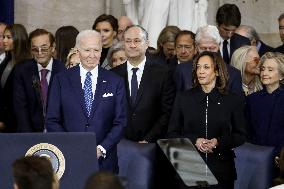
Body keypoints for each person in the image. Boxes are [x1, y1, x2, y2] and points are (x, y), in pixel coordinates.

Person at [46, 30, 127, 173]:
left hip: (104, 162)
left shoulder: (115, 81)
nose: (92, 55)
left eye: (96, 50)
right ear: (77, 51)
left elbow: (120, 121)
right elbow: (52, 120)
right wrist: (71, 146)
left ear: (102, 51)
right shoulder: (61, 80)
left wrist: (101, 148)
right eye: (87, 50)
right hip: (70, 158)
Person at [168, 51, 247, 189]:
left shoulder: (232, 99)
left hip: (221, 168)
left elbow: (240, 135)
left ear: (217, 71)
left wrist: (218, 142)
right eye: (198, 67)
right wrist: (194, 140)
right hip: (188, 165)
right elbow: (172, 133)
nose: (200, 71)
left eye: (206, 67)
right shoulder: (183, 98)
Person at [111, 25, 175, 143]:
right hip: (119, 144)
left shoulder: (163, 73)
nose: (132, 45)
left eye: (137, 41)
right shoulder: (113, 75)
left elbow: (167, 112)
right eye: (128, 41)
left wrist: (148, 139)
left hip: (152, 144)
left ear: (146, 43)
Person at [13, 28, 65, 132]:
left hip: (58, 133)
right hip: (30, 133)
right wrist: (28, 138)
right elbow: (21, 108)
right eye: (35, 49)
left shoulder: (63, 71)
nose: (39, 53)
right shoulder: (22, 71)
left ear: (53, 47)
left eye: (44, 48)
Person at [174, 25, 243, 96]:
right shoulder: (182, 70)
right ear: (196, 47)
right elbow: (177, 102)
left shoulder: (233, 74)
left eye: (212, 48)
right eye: (203, 48)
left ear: (219, 46)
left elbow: (237, 104)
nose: (208, 52)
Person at [246, 52, 284, 161]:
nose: (264, 73)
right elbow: (247, 131)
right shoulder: (252, 99)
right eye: (262, 69)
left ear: (281, 75)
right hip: (256, 157)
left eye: (270, 70)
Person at [0, 24, 31, 132]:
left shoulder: (26, 65)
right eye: (3, 37)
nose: (4, 41)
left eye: (8, 37)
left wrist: (6, 122)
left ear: (18, 38)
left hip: (17, 124)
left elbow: (22, 100)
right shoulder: (6, 61)